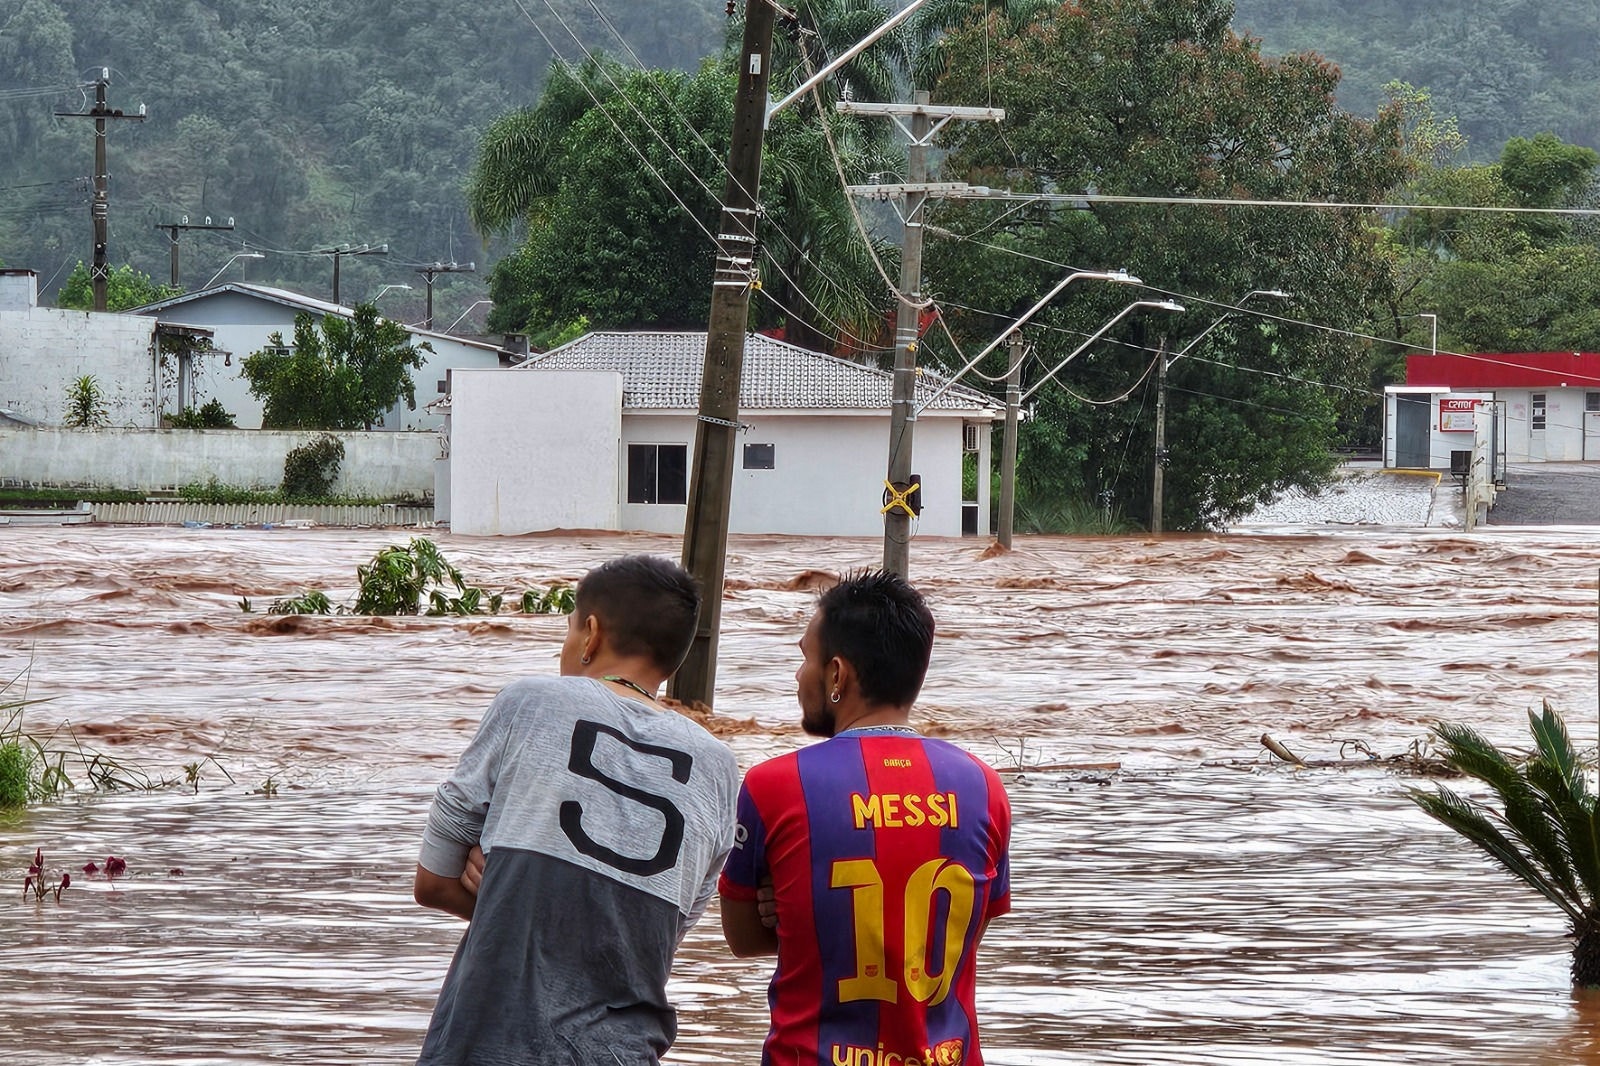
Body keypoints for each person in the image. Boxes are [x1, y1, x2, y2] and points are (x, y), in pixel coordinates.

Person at [412, 554, 739, 1066]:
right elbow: (652, 940)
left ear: (591, 634)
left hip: (490, 1041)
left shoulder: (531, 701)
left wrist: (509, 889)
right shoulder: (719, 769)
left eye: (567, 630)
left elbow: (432, 882)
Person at [720, 570, 1012, 1066]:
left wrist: (797, 907)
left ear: (837, 675)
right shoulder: (985, 787)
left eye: (804, 659)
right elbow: (963, 933)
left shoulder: (773, 785)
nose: (798, 676)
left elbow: (743, 937)